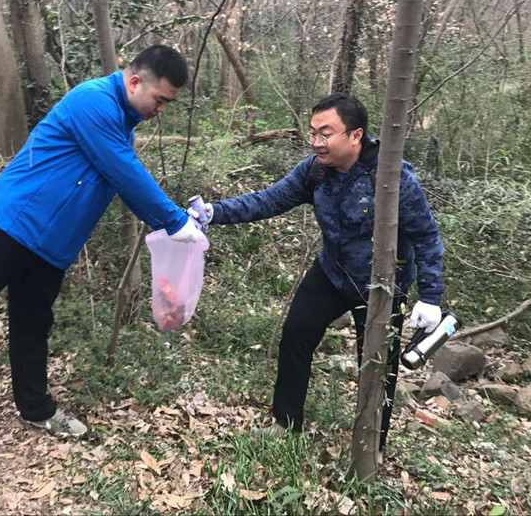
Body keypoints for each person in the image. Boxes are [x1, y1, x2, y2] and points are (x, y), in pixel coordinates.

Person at [0, 45, 205, 466]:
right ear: (135, 81)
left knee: (32, 327)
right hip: (10, 225)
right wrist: (173, 221)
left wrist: (174, 222)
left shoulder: (123, 123)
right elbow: (125, 173)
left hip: (51, 246)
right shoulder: (93, 101)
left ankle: (35, 408)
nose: (161, 109)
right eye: (160, 99)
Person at [189, 93, 445, 452]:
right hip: (332, 274)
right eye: (313, 133)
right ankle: (286, 423)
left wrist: (430, 297)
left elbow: (426, 236)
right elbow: (270, 199)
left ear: (355, 135)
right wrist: (215, 212)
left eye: (325, 134)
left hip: (381, 287)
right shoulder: (316, 170)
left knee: (377, 368)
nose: (316, 142)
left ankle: (371, 447)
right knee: (296, 335)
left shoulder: (390, 176)